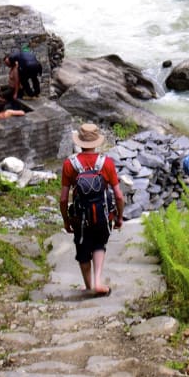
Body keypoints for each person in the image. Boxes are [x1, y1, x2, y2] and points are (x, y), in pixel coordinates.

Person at [60, 123, 124, 296]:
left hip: (80, 218)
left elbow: (64, 198)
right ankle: (98, 282)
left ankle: (88, 286)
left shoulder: (69, 164)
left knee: (82, 249)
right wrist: (119, 217)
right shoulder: (106, 163)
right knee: (99, 245)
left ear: (79, 142)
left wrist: (66, 220)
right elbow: (118, 195)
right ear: (96, 142)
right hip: (103, 215)